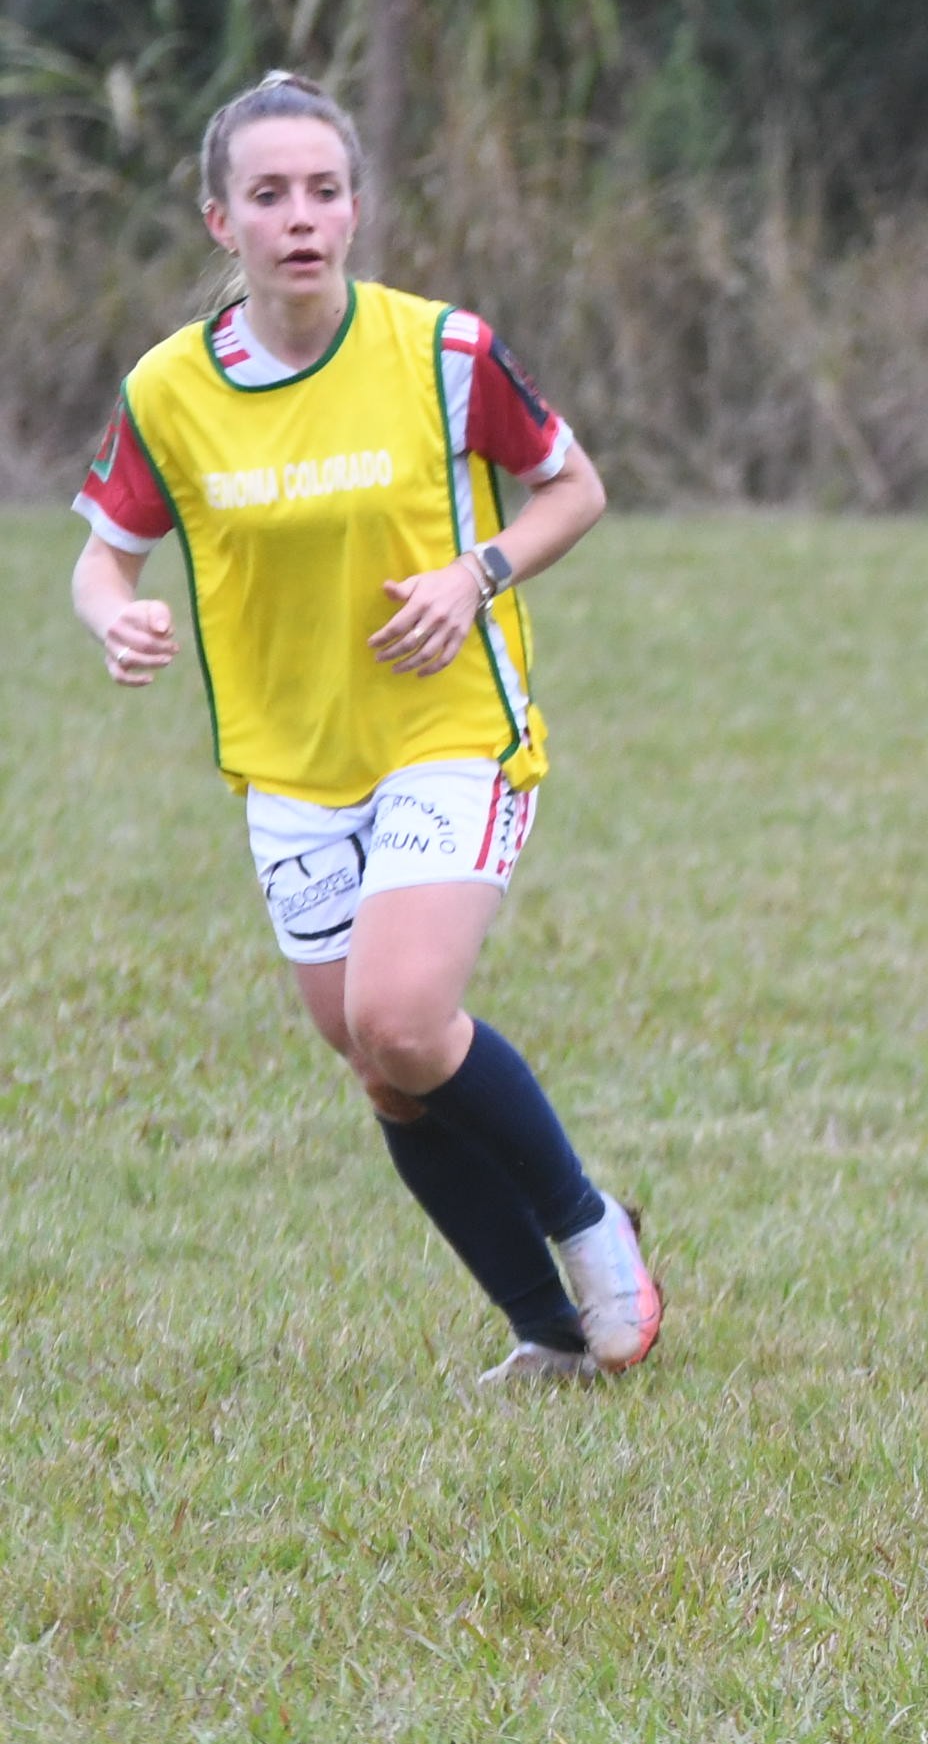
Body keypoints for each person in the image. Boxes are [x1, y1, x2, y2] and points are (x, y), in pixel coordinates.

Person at [66, 71, 660, 1385]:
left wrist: (475, 574)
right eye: (269, 194)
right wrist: (114, 616)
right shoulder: (170, 389)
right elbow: (104, 558)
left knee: (399, 1015)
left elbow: (576, 488)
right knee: (383, 1069)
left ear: (356, 208)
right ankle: (549, 1338)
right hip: (289, 763)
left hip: (451, 729)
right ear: (219, 217)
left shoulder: (440, 351)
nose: (301, 217)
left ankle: (589, 1226)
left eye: (324, 191)